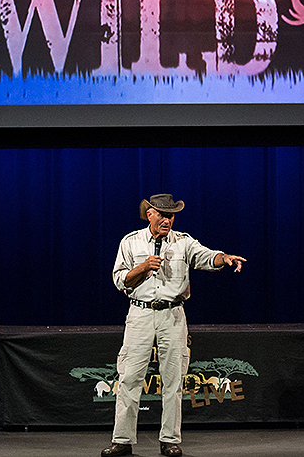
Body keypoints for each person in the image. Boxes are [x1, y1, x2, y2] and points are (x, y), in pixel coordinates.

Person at [101, 194, 247, 457]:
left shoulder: (183, 242)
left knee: (173, 380)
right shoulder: (131, 241)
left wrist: (223, 258)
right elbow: (119, 279)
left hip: (173, 315)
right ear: (150, 215)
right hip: (140, 314)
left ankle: (169, 439)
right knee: (129, 378)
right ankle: (122, 441)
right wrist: (144, 267)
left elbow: (206, 256)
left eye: (171, 216)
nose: (168, 220)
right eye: (163, 215)